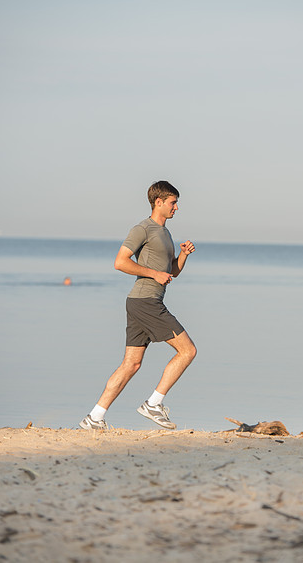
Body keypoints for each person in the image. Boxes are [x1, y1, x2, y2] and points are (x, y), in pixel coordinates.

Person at [79, 181, 197, 431]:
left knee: (131, 364)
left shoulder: (165, 233)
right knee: (188, 351)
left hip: (143, 302)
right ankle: (154, 404)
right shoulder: (142, 229)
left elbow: (170, 272)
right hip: (146, 302)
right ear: (159, 202)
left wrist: (183, 255)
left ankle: (94, 418)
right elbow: (120, 262)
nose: (177, 207)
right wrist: (154, 274)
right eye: (173, 202)